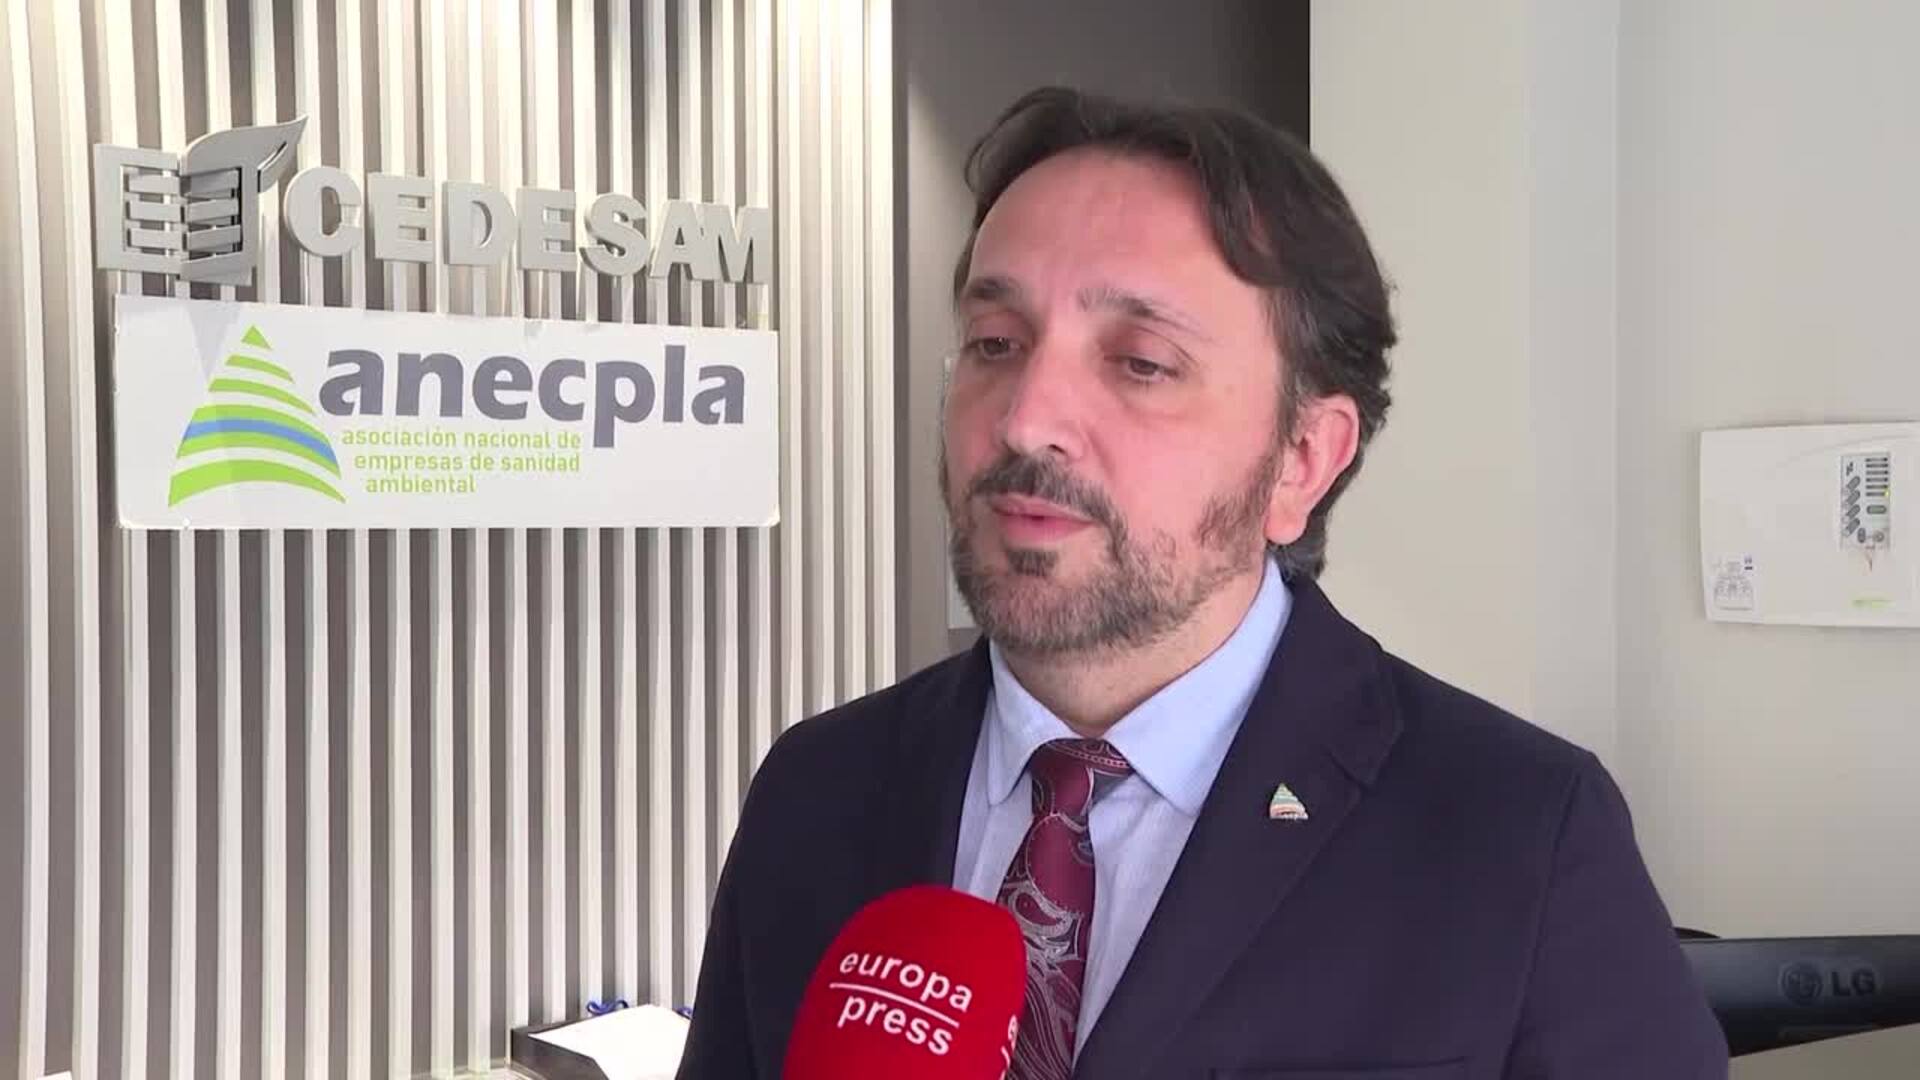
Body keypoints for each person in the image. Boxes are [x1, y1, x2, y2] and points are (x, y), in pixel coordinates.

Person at [678, 86, 1728, 1079]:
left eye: (1140, 362)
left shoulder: (1520, 835)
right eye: (994, 343)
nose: (1024, 419)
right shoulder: (817, 791)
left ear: (1302, 460)